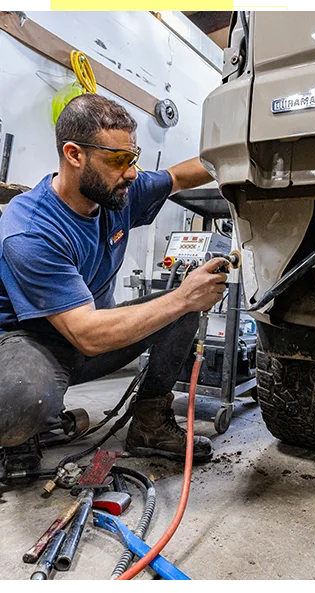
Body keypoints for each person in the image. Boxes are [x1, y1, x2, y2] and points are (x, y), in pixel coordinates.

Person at [0, 93, 230, 478]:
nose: (132, 173)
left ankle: (150, 423)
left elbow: (180, 175)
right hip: (28, 342)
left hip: (85, 336)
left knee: (180, 309)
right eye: (119, 160)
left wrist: (239, 155)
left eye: (134, 158)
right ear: (74, 154)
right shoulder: (31, 229)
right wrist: (182, 296)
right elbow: (87, 335)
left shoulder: (117, 193)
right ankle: (24, 432)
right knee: (19, 403)